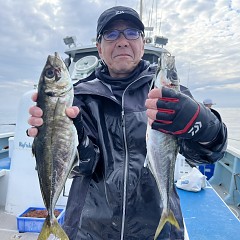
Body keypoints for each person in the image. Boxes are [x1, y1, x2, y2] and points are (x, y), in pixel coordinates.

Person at [27, 6, 227, 240]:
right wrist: (69, 140)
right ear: (100, 48)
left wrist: (203, 124)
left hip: (157, 232)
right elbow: (84, 167)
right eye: (111, 34)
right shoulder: (79, 98)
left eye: (131, 33)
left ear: (142, 44)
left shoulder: (169, 94)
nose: (122, 41)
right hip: (89, 230)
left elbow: (209, 154)